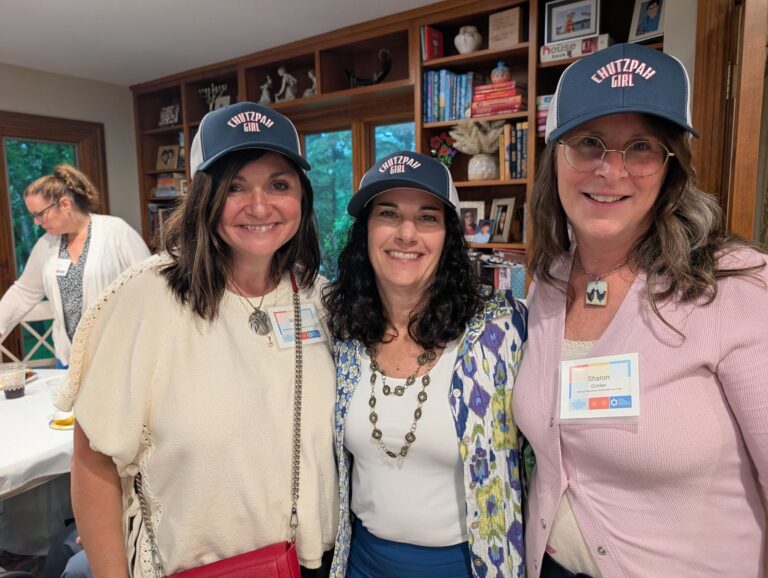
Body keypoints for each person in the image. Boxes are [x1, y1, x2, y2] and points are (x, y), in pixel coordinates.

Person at [515, 43, 768, 578]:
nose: (612, 170)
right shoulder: (548, 281)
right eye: (589, 143)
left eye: (642, 148)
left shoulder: (737, 285)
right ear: (556, 156)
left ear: (671, 167)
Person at [56, 102, 338, 577]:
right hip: (190, 568)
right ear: (203, 197)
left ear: (302, 198)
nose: (260, 206)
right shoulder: (144, 298)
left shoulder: (319, 297)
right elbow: (94, 461)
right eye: (235, 187)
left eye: (279, 185)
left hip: (313, 562)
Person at [323, 151, 527, 577]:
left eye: (427, 217)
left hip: (466, 566)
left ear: (448, 236)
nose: (406, 233)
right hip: (362, 563)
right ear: (365, 231)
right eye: (388, 213)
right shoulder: (343, 332)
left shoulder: (501, 329)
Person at [0, 163, 150, 368]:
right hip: (69, 360)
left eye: (39, 214)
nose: (36, 222)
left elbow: (150, 287)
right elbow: (23, 293)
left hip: (119, 357)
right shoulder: (46, 245)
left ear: (65, 204)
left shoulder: (117, 232)